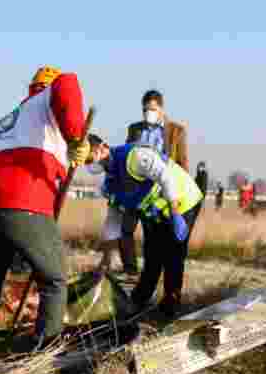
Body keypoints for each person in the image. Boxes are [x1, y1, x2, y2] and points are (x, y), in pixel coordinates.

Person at [0, 65, 88, 352]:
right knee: (55, 279)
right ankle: (45, 351)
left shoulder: (9, 118)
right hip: (24, 204)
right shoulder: (51, 95)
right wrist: (74, 137)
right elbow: (67, 83)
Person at [86, 134, 203, 319]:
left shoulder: (135, 157)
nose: (90, 164)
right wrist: (106, 259)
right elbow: (113, 220)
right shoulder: (110, 184)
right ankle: (139, 301)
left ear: (103, 147)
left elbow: (165, 177)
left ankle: (170, 306)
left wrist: (175, 213)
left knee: (173, 254)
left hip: (182, 200)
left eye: (90, 158)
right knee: (152, 255)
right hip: (155, 213)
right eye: (86, 161)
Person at [115, 90, 188, 275]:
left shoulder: (176, 131)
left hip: (159, 191)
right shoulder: (134, 129)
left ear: (161, 109)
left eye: (153, 109)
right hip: (135, 187)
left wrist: (178, 198)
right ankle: (130, 270)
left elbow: (182, 163)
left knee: (153, 237)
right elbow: (125, 155)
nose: (149, 113)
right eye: (145, 109)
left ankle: (151, 272)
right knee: (125, 230)